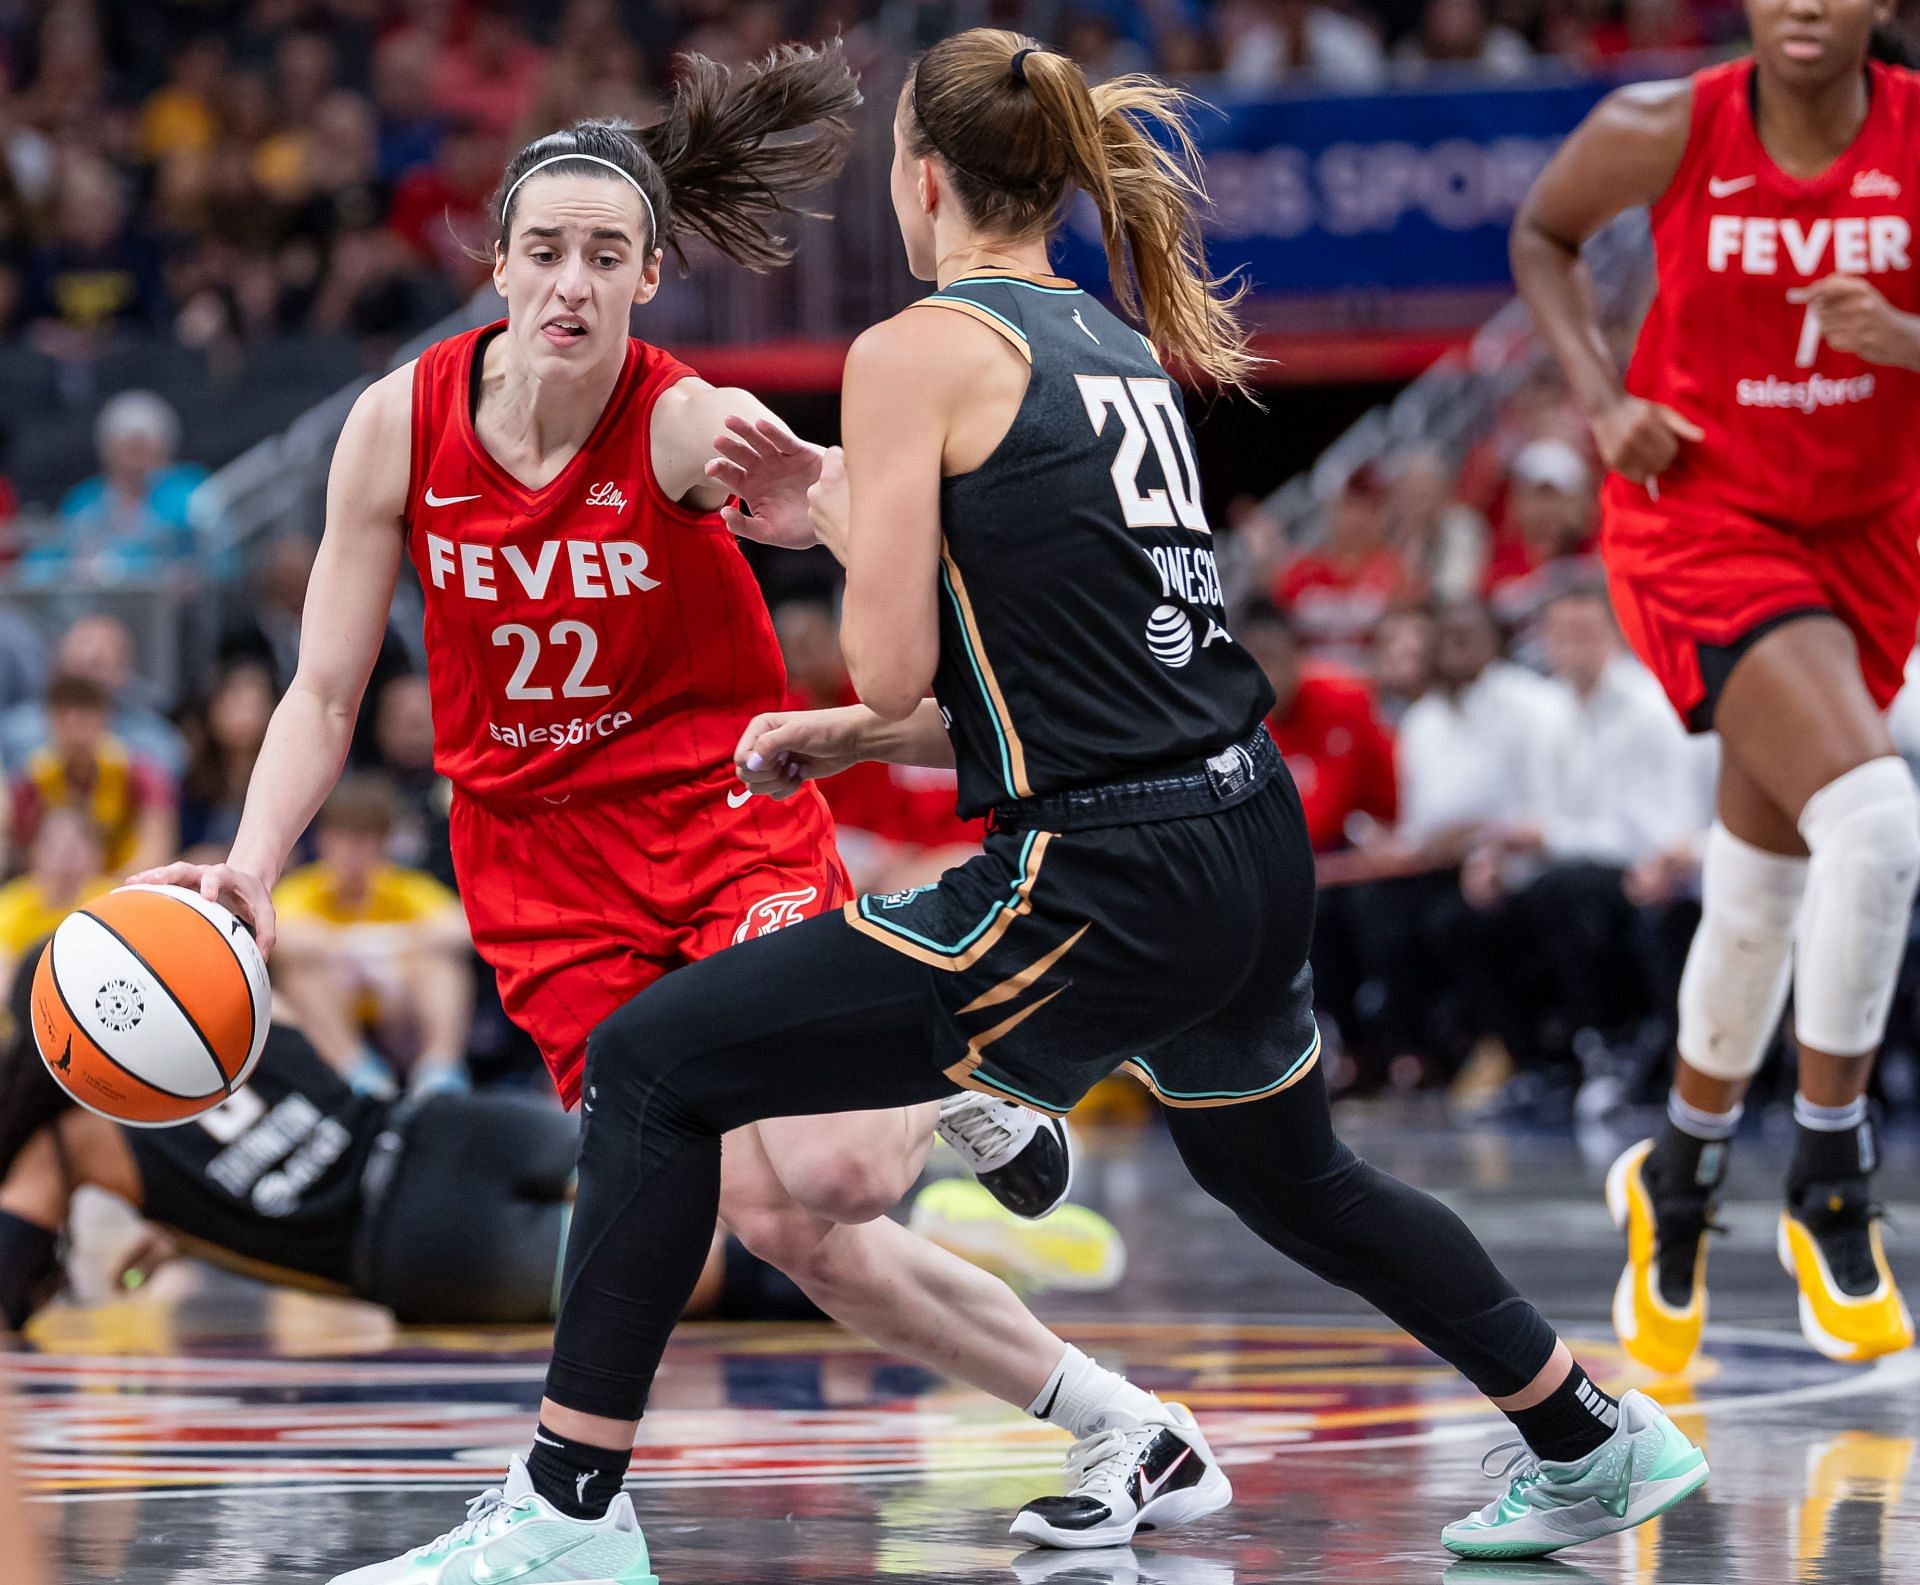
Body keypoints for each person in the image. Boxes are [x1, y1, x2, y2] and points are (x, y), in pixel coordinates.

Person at [326, 31, 1709, 1584]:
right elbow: (1020, 678)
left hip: (1100, 869)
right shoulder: (1108, 343)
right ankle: (1593, 1434)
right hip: (1243, 839)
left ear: (921, 183)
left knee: (655, 1063)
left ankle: (570, 1510)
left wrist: (826, 516)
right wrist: (849, 728)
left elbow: (901, 655)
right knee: (1293, 1175)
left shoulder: (917, 350)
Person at [133, 41, 1183, 1555]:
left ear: (646, 282)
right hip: (533, 866)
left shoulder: (681, 419)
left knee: (820, 1164)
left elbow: (860, 519)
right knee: (783, 1226)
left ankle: (968, 1075)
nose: (571, 283)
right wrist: (250, 863)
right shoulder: (396, 424)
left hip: (716, 819)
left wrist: (810, 500)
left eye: (606, 259)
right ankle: (1122, 1427)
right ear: (495, 264)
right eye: (545, 252)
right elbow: (324, 692)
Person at [1513, 0, 1920, 1371]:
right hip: (1701, 521)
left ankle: (1675, 1180)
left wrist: (1910, 344)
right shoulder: (1670, 125)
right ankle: (1831, 1177)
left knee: (1761, 891)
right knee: (1878, 820)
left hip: (1869, 537)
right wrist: (1600, 395)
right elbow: (1542, 235)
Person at [0, 958, 809, 1334]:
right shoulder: (213, 1010)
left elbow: (9, 1282)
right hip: (439, 1131)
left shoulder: (72, 1135)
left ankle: (899, 1259)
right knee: (712, 1171)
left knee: (697, 1267)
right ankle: (892, 1223)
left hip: (415, 1240)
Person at [271, 776, 474, 1098]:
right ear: (324, 841)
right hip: (336, 1006)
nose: (352, 851)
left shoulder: (402, 886)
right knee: (304, 971)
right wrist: (353, 948)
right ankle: (358, 1074)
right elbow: (278, 934)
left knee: (440, 964)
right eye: (341, 838)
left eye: (363, 838)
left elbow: (462, 927)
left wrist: (391, 948)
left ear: (382, 843)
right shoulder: (304, 889)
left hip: (400, 1009)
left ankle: (441, 1070)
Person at [8, 674, 177, 875]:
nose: (76, 735)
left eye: (85, 721)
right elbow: (22, 854)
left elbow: (156, 844)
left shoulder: (140, 774)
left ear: (105, 718)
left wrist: (112, 892)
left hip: (125, 887)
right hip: (54, 895)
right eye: (65, 722)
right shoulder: (30, 781)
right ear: (49, 721)